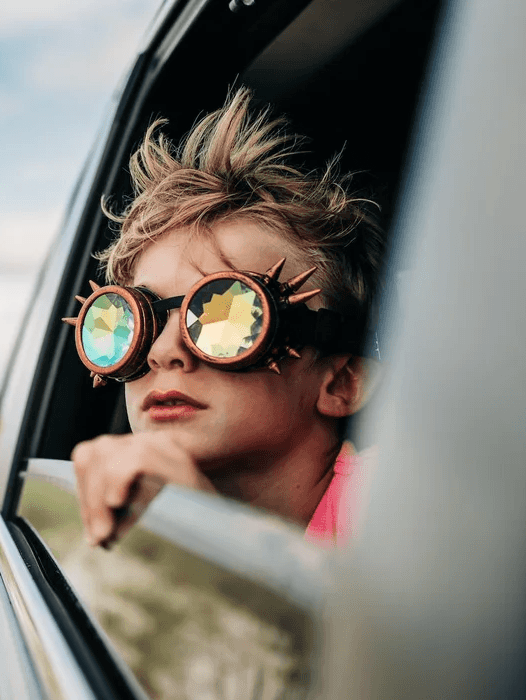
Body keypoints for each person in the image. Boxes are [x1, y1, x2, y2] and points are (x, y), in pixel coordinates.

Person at [66, 88, 384, 548]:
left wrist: (210, 537)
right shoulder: (127, 508)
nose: (162, 351)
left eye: (227, 315)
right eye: (133, 324)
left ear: (342, 383)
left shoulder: (395, 503)